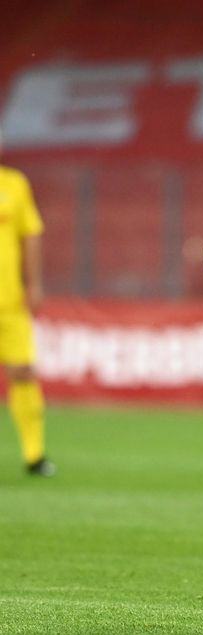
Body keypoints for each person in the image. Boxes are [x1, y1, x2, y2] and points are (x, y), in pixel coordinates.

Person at [0, 129, 55, 477]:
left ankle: (34, 454)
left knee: (22, 372)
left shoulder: (14, 184)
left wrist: (34, 284)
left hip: (9, 300)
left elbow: (31, 234)